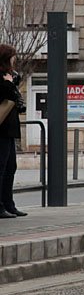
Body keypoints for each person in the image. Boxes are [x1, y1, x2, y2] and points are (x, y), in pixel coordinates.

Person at [0, 45, 26, 218]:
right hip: (1, 128)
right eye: (12, 56)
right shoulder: (2, 78)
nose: (14, 60)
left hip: (9, 127)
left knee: (11, 167)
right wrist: (9, 83)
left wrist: (13, 81)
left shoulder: (11, 76)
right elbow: (4, 95)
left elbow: (16, 100)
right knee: (1, 167)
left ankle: (9, 203)